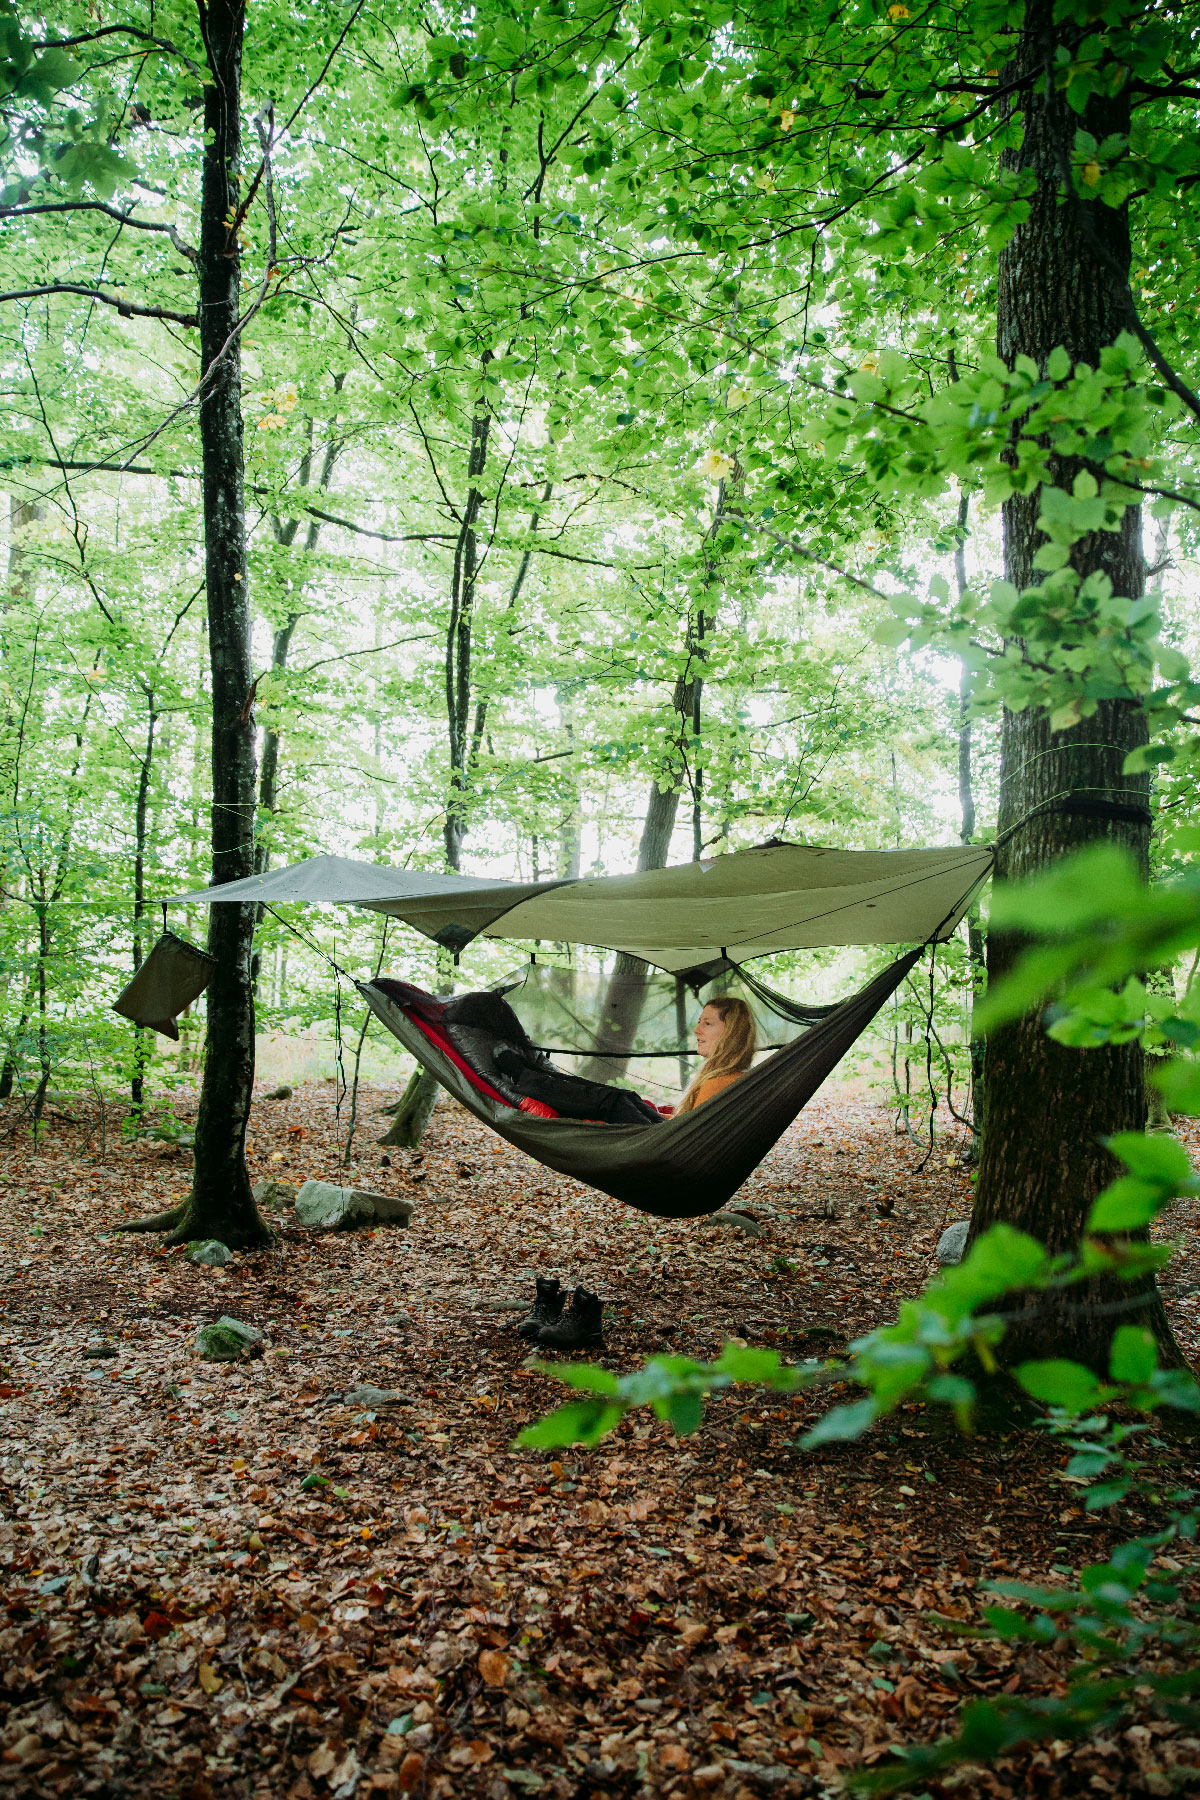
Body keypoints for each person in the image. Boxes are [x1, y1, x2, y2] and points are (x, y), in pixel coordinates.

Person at [675, 996, 757, 1113]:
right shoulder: (745, 1074)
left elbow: (691, 1129)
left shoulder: (717, 1083)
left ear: (731, 1032)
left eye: (707, 1023)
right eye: (699, 1022)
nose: (696, 1030)